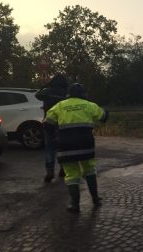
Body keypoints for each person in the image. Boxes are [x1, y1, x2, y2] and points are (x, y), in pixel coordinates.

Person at [44, 83, 108, 213]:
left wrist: (55, 137)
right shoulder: (89, 105)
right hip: (86, 145)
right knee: (89, 170)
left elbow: (47, 123)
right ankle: (95, 199)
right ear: (83, 94)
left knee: (71, 175)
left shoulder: (60, 106)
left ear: (69, 94)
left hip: (66, 146)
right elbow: (104, 117)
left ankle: (75, 204)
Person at [35, 74, 68, 182]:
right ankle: (63, 169)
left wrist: (46, 85)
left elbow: (37, 95)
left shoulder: (47, 91)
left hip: (49, 123)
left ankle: (50, 172)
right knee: (63, 147)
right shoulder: (66, 93)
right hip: (63, 124)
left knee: (50, 147)